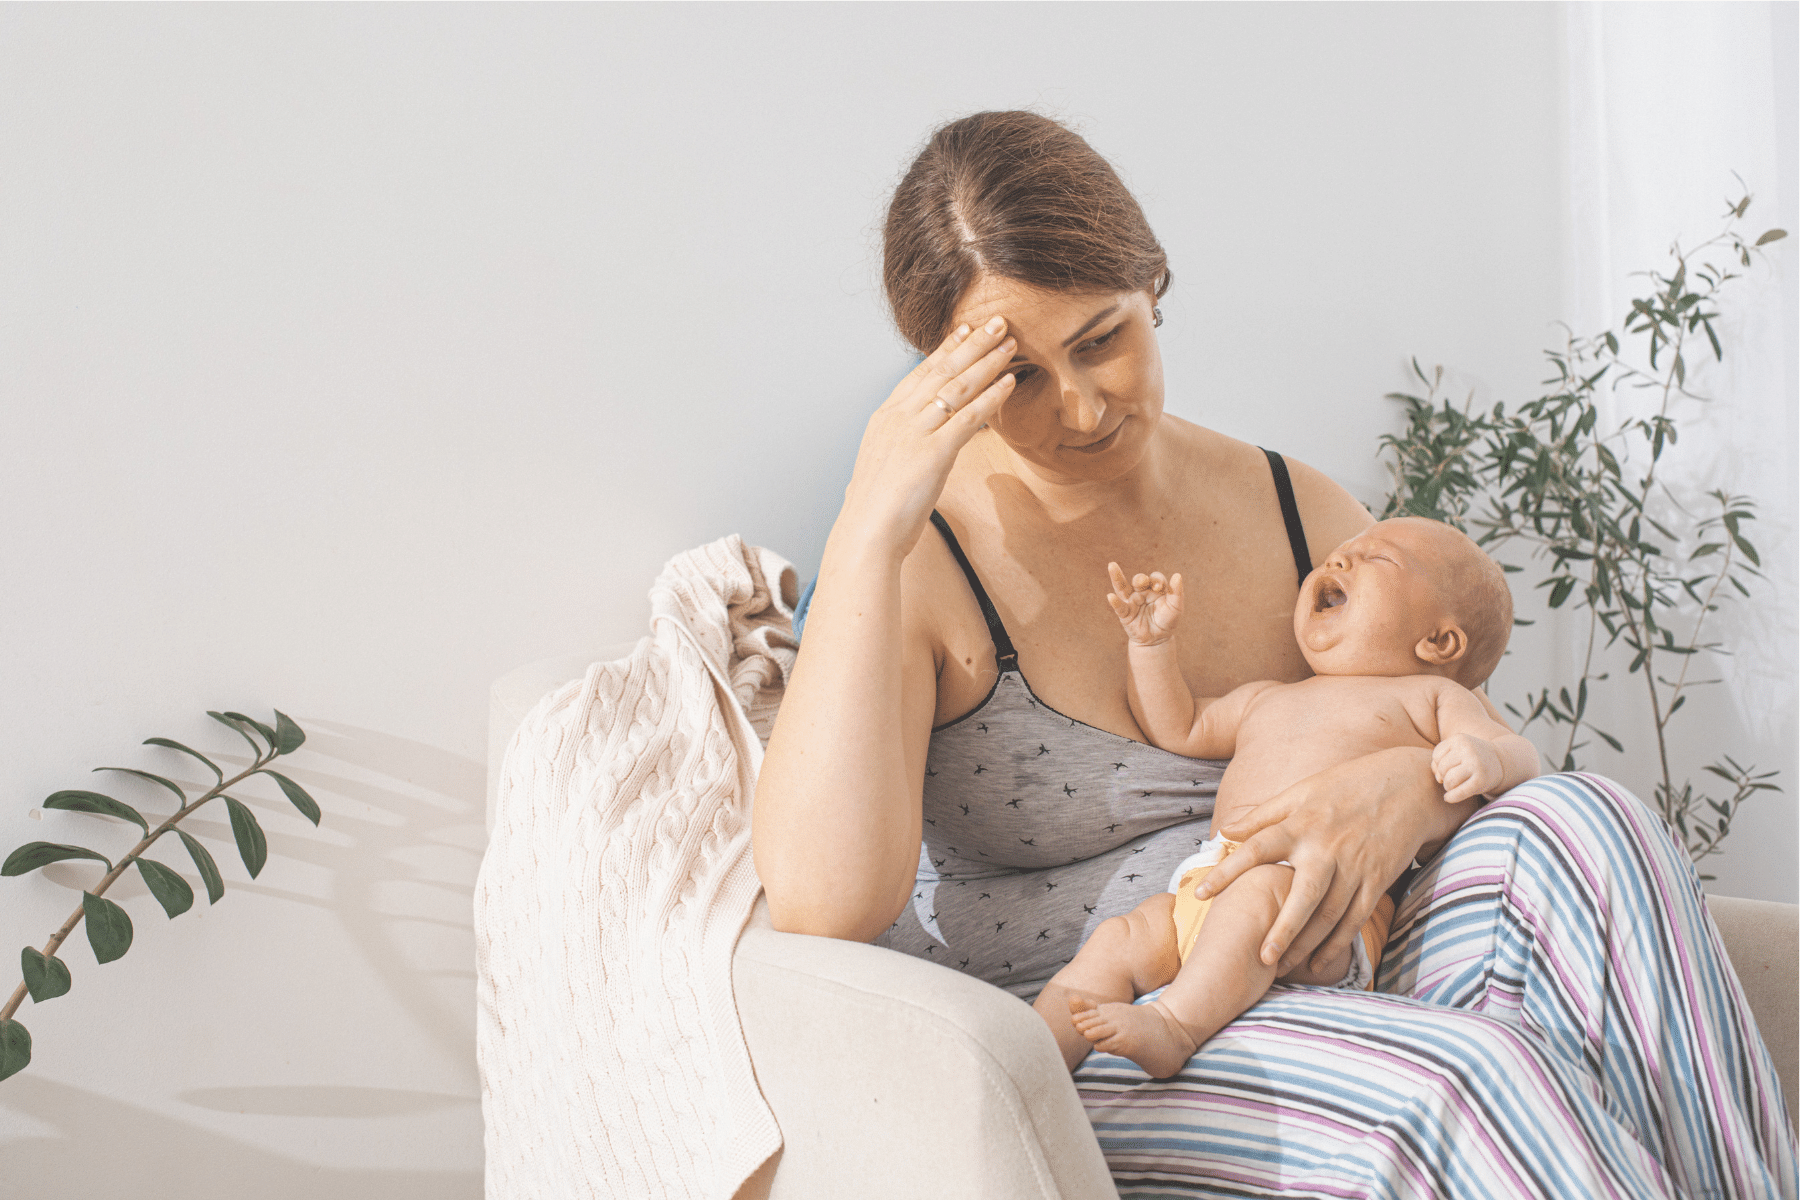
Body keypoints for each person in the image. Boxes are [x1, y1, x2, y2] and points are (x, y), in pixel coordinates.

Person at [751, 109, 1795, 1197]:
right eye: (1017, 374)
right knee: (1469, 1081)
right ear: (941, 375)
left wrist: (1404, 792)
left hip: (1327, 954)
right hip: (1114, 1024)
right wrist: (870, 522)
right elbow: (827, 905)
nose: (1084, 403)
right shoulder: (920, 558)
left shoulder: (1301, 512)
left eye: (1102, 337)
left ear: (1151, 283)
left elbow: (1458, 744)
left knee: (1594, 820)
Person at [1043, 518, 1542, 1080]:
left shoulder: (1431, 697)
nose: (1338, 562)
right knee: (1120, 938)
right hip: (1208, 883)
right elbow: (1179, 725)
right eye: (1336, 554)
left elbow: (1519, 754)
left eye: (1377, 558)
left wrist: (1489, 760)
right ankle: (1034, 1056)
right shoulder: (1268, 698)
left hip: (1318, 906)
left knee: (1255, 896)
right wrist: (1151, 646)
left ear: (1438, 641)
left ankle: (1176, 1027)